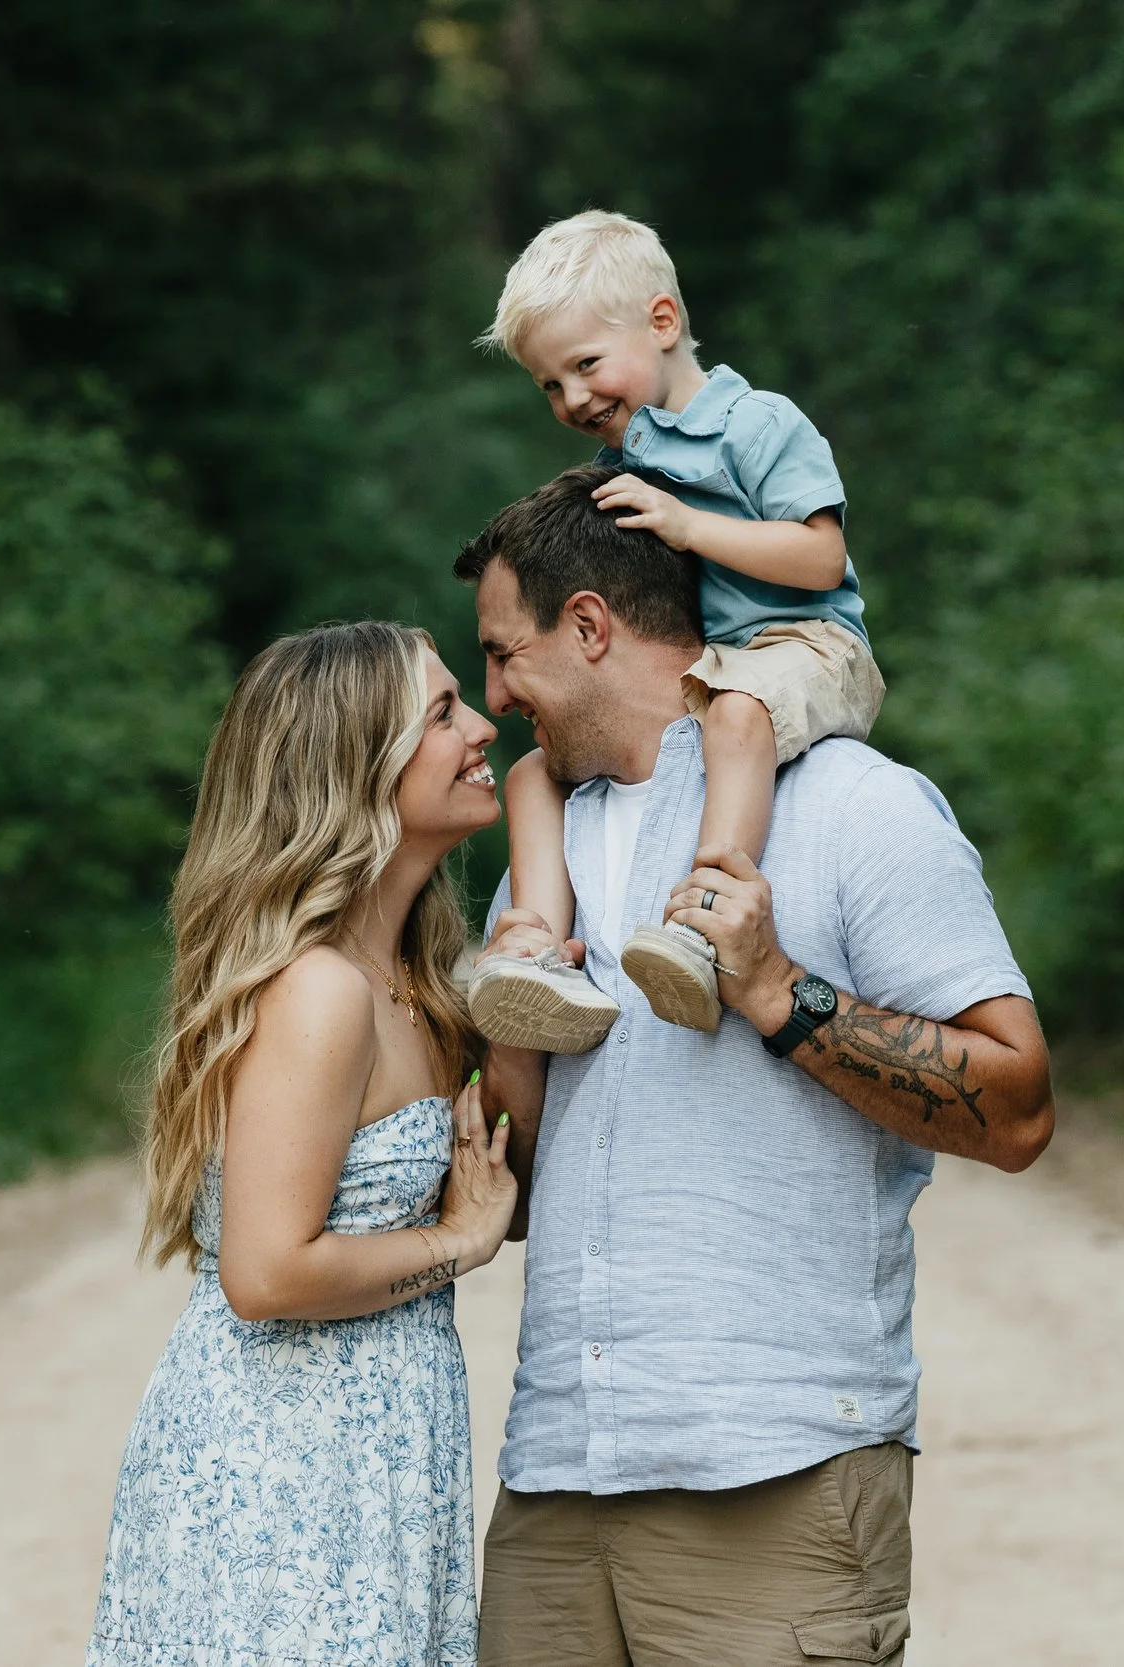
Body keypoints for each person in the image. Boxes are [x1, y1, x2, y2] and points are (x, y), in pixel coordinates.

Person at [454, 470, 1056, 1666]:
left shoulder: (851, 806)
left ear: (587, 626)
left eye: (501, 653)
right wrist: (504, 1023)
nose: (491, 696)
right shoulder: (546, 850)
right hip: (557, 1478)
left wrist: (777, 990)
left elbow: (1020, 1104)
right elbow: (516, 1187)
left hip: (777, 1469)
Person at [84, 622, 520, 1667]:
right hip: (280, 1466)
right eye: (445, 713)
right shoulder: (321, 990)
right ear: (354, 766)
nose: (485, 725)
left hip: (374, 1457)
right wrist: (458, 1243)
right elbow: (267, 1270)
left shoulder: (414, 985)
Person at [465, 209, 885, 1051]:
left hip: (807, 645)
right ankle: (539, 952)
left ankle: (702, 923)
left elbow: (820, 555)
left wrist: (689, 525)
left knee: (736, 710)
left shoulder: (758, 425)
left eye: (585, 366)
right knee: (535, 778)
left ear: (662, 323)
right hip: (715, 666)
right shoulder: (631, 458)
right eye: (550, 385)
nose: (573, 399)